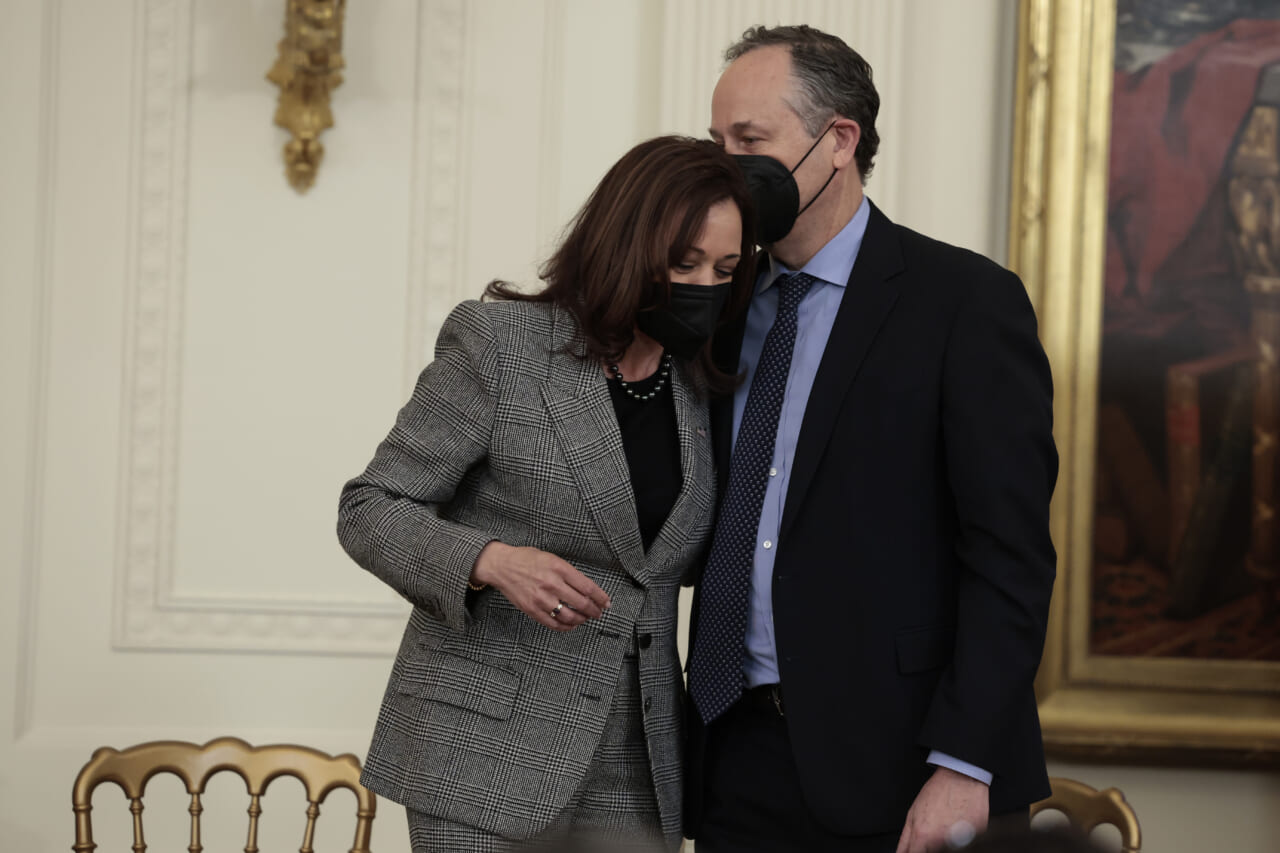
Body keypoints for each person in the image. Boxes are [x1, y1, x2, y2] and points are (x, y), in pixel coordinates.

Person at [683, 25, 1059, 853]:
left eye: (750, 141)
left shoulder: (965, 302)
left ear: (838, 141)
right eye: (717, 143)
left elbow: (1010, 556)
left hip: (911, 768)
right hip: (733, 752)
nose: (727, 165)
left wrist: (963, 762)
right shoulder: (718, 300)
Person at [337, 135, 756, 852]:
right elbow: (369, 507)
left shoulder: (702, 386)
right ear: (627, 243)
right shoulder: (501, 345)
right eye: (682, 262)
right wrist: (491, 560)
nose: (702, 288)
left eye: (723, 269)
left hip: (638, 755)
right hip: (481, 749)